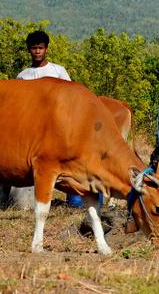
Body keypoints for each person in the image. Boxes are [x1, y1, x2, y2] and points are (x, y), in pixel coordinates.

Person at [15, 30, 96, 209]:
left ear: (46, 49)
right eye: (34, 48)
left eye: (40, 48)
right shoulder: (23, 76)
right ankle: (41, 198)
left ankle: (75, 199)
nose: (37, 51)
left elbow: (70, 97)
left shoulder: (58, 71)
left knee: (68, 161)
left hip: (59, 126)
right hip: (34, 129)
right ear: (29, 50)